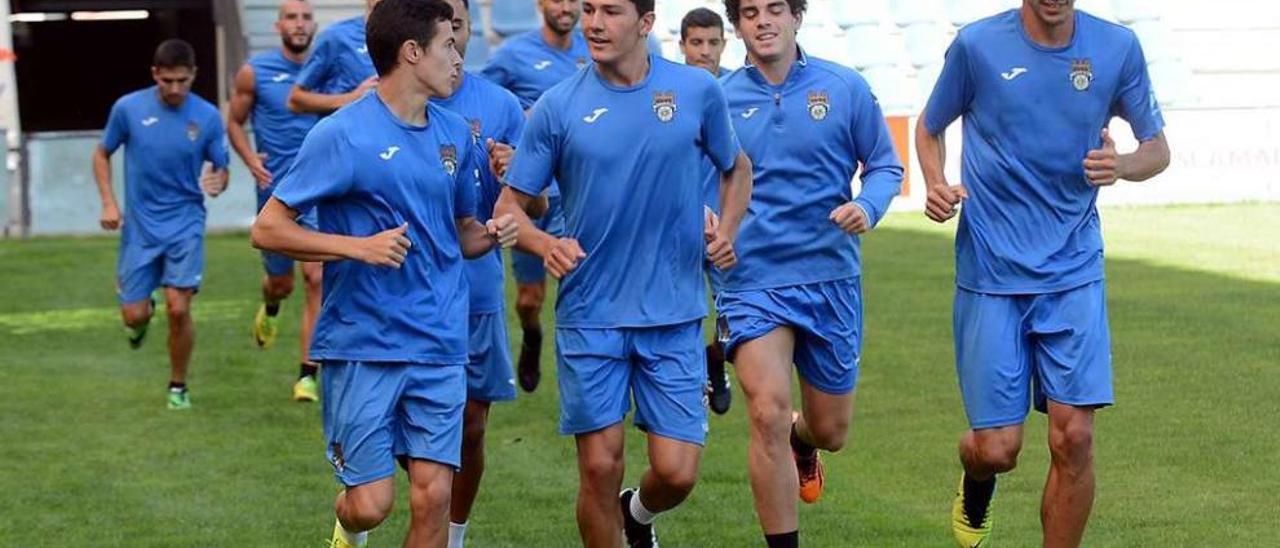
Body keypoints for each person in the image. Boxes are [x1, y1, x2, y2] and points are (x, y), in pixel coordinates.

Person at [250, 1, 517, 545]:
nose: (458, 57)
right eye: (447, 45)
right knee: (372, 505)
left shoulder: (455, 134)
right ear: (412, 52)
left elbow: (460, 229)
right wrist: (357, 248)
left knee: (434, 496)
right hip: (364, 343)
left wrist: (491, 233)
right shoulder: (341, 134)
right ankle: (346, 530)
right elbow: (269, 229)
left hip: (441, 341)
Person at [494, 0, 752, 545]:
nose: (593, 22)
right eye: (588, 9)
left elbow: (737, 167)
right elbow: (507, 208)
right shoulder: (557, 106)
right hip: (592, 315)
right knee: (598, 467)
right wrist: (545, 243)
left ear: (646, 23)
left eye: (610, 11)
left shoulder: (696, 91)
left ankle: (635, 516)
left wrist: (725, 231)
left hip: (674, 311)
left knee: (678, 472)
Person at [914, 1, 1170, 546]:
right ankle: (976, 476)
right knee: (998, 449)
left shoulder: (1116, 47)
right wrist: (936, 182)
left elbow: (1157, 150)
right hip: (991, 272)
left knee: (1074, 437)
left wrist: (1121, 165)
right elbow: (929, 126)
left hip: (1074, 269)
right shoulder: (977, 46)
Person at [719, 1, 905, 545]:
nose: (762, 20)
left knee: (830, 430)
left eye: (775, 7)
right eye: (749, 11)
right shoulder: (720, 99)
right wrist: (710, 227)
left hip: (829, 278)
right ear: (738, 25)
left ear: (797, 16)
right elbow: (689, 176)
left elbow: (885, 165)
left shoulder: (844, 87)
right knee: (768, 412)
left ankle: (807, 442)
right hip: (751, 281)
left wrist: (867, 207)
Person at [429, 1, 527, 546]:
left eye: (458, 27)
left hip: (477, 290)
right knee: (403, 433)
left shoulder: (500, 105)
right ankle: (360, 517)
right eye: (440, 29)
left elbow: (534, 206)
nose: (451, 39)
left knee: (470, 427)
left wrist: (514, 178)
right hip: (406, 295)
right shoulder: (391, 105)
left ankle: (453, 536)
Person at [92, 38, 230, 411]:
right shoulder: (128, 109)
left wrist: (219, 180)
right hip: (140, 226)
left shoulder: (207, 116)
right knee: (134, 315)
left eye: (182, 81)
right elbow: (102, 153)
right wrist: (109, 201)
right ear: (155, 74)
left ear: (194, 76)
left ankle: (178, 386)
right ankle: (140, 318)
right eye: (167, 80)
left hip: (186, 222)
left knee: (179, 309)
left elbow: (221, 167)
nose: (174, 89)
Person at [480, 0, 590, 393]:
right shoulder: (512, 55)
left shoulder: (593, 50)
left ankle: (587, 371)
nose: (565, 7)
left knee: (580, 282)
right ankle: (532, 334)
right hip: (526, 195)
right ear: (541, 4)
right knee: (528, 299)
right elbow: (483, 107)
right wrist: (522, 126)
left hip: (575, 194)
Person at [226, 0, 324, 401]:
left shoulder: (328, 70)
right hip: (276, 191)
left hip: (321, 189)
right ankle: (270, 305)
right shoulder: (255, 72)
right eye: (291, 18)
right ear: (278, 25)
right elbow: (233, 120)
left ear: (314, 25)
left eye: (305, 17)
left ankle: (307, 375)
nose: (299, 25)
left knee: (316, 277)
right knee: (281, 283)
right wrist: (250, 160)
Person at [679, 6, 733, 415]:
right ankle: (689, 384)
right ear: (682, 46)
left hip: (726, 225)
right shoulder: (666, 92)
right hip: (676, 224)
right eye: (696, 42)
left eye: (712, 42)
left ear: (723, 44)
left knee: (733, 315)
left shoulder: (738, 90)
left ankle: (715, 359)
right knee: (682, 310)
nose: (704, 51)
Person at [287, 0, 382, 114]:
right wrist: (353, 98)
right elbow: (295, 101)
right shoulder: (337, 36)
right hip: (348, 128)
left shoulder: (404, 37)